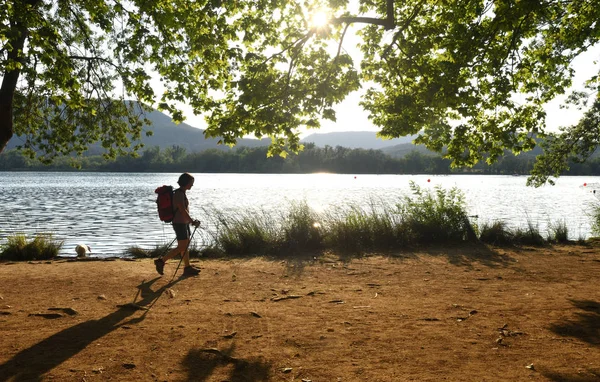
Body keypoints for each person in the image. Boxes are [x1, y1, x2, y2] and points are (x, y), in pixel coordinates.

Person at [154, 173, 201, 277]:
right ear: (185, 182)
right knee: (182, 246)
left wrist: (190, 221)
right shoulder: (179, 194)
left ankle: (187, 267)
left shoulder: (182, 193)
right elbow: (182, 210)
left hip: (183, 223)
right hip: (179, 223)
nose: (192, 185)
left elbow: (184, 211)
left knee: (185, 245)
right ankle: (161, 261)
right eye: (191, 183)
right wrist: (192, 221)